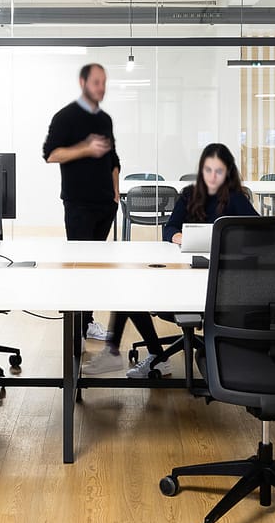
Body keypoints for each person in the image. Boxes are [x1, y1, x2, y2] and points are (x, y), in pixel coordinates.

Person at [123, 142, 260, 378]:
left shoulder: (236, 198)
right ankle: (158, 355)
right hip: (185, 272)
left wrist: (238, 240)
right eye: (208, 170)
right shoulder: (189, 194)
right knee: (131, 295)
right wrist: (178, 236)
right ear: (201, 170)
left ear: (228, 171)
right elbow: (170, 228)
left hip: (223, 278)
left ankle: (219, 360)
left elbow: (259, 231)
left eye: (219, 171)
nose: (213, 176)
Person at [42, 63, 125, 371]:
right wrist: (84, 148)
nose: (101, 87)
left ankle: (87, 322)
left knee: (97, 268)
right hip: (78, 205)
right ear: (83, 82)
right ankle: (77, 330)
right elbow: (51, 154)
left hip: (106, 205)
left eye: (104, 82)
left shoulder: (105, 119)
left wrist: (116, 191)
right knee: (80, 269)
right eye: (96, 82)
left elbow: (114, 158)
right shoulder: (65, 117)